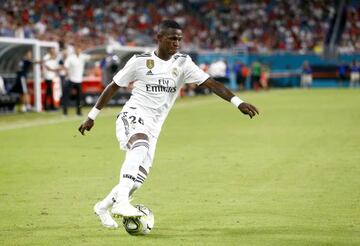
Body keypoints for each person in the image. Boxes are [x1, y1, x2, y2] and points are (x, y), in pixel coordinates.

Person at [78, 20, 259, 229]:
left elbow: (212, 83)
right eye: (172, 38)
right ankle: (122, 203)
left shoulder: (183, 63)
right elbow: (113, 86)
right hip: (133, 114)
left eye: (179, 39)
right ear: (159, 38)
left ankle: (102, 206)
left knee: (136, 181)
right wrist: (92, 116)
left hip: (155, 126)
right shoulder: (139, 61)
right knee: (139, 145)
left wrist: (238, 102)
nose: (177, 43)